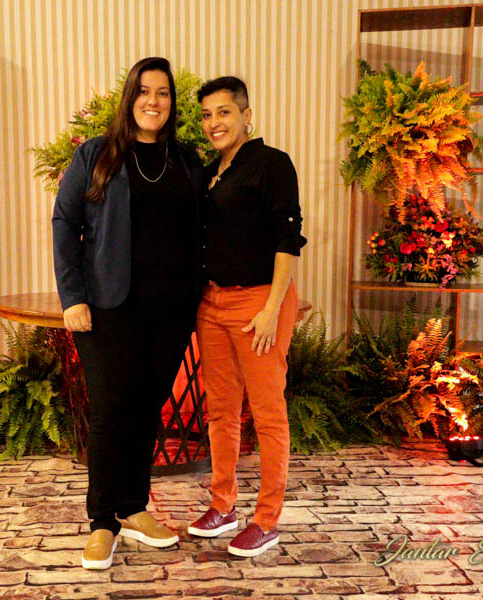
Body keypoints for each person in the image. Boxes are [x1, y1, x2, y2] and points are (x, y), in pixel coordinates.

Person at [52, 57, 205, 570]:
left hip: (171, 311)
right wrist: (72, 297)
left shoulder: (186, 160)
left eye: (162, 93)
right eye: (144, 91)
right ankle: (102, 521)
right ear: (129, 97)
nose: (152, 101)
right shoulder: (96, 154)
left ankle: (134, 508)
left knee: (145, 410)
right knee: (110, 411)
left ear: (172, 102)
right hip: (107, 307)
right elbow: (65, 222)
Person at [187, 76, 305, 557]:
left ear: (246, 115)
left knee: (267, 413)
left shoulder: (271, 164)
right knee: (220, 410)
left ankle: (267, 520)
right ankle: (223, 505)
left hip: (258, 301)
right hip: (211, 304)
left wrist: (272, 309)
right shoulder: (209, 173)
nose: (214, 122)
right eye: (207, 115)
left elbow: (288, 239)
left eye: (224, 112)